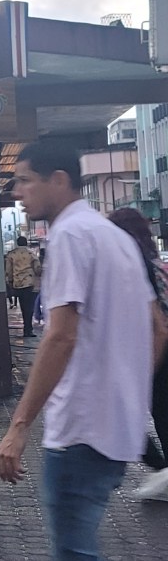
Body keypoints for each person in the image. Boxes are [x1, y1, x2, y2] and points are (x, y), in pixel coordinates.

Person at [0, 143, 168, 561]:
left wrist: (18, 424)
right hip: (115, 425)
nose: (17, 192)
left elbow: (61, 336)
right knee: (82, 560)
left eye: (24, 181)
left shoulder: (70, 235)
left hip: (81, 428)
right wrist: (131, 393)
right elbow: (156, 327)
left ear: (59, 180)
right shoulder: (117, 237)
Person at [108, 207, 168, 497]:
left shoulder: (137, 266)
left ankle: (162, 471)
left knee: (148, 414)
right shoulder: (156, 263)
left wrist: (147, 367)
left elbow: (156, 325)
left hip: (156, 353)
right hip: (152, 351)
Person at [5, 237, 41, 338]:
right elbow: (37, 269)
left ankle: (26, 329)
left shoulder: (11, 254)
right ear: (26, 243)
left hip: (17, 284)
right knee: (29, 307)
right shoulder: (31, 254)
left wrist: (10, 282)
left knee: (23, 307)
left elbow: (8, 271)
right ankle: (28, 329)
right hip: (29, 283)